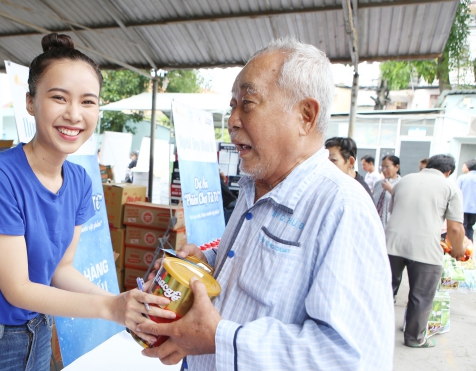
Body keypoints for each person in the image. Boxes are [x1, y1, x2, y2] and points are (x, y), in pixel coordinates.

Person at [139, 38, 394, 370]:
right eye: (232, 105)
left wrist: (220, 339)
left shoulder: (342, 208)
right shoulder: (253, 187)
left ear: (305, 115)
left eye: (247, 103)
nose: (231, 120)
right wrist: (207, 262)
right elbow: (256, 263)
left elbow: (350, 358)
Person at [0, 33, 174, 371]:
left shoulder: (79, 182)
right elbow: (18, 289)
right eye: (59, 98)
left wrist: (121, 301)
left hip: (37, 329)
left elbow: (60, 270)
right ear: (30, 102)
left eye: (88, 101)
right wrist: (110, 309)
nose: (74, 114)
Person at [386, 154, 465, 348]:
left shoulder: (404, 181)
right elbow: (455, 228)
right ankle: (414, 338)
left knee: (384, 290)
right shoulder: (450, 187)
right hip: (425, 249)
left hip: (390, 244)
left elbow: (393, 211)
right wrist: (458, 250)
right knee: (421, 296)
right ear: (448, 172)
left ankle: (372, 330)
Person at [372, 155, 402, 228]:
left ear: (396, 167)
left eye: (387, 167)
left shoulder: (402, 184)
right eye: (382, 167)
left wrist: (391, 190)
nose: (384, 170)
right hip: (375, 223)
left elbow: (404, 202)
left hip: (390, 226)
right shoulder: (378, 184)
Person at [457, 159, 476, 241]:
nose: (462, 167)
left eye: (463, 165)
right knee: (470, 227)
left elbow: (455, 191)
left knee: (461, 227)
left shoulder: (462, 178)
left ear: (468, 167)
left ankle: (462, 247)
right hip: (474, 210)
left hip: (462, 208)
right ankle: (470, 247)